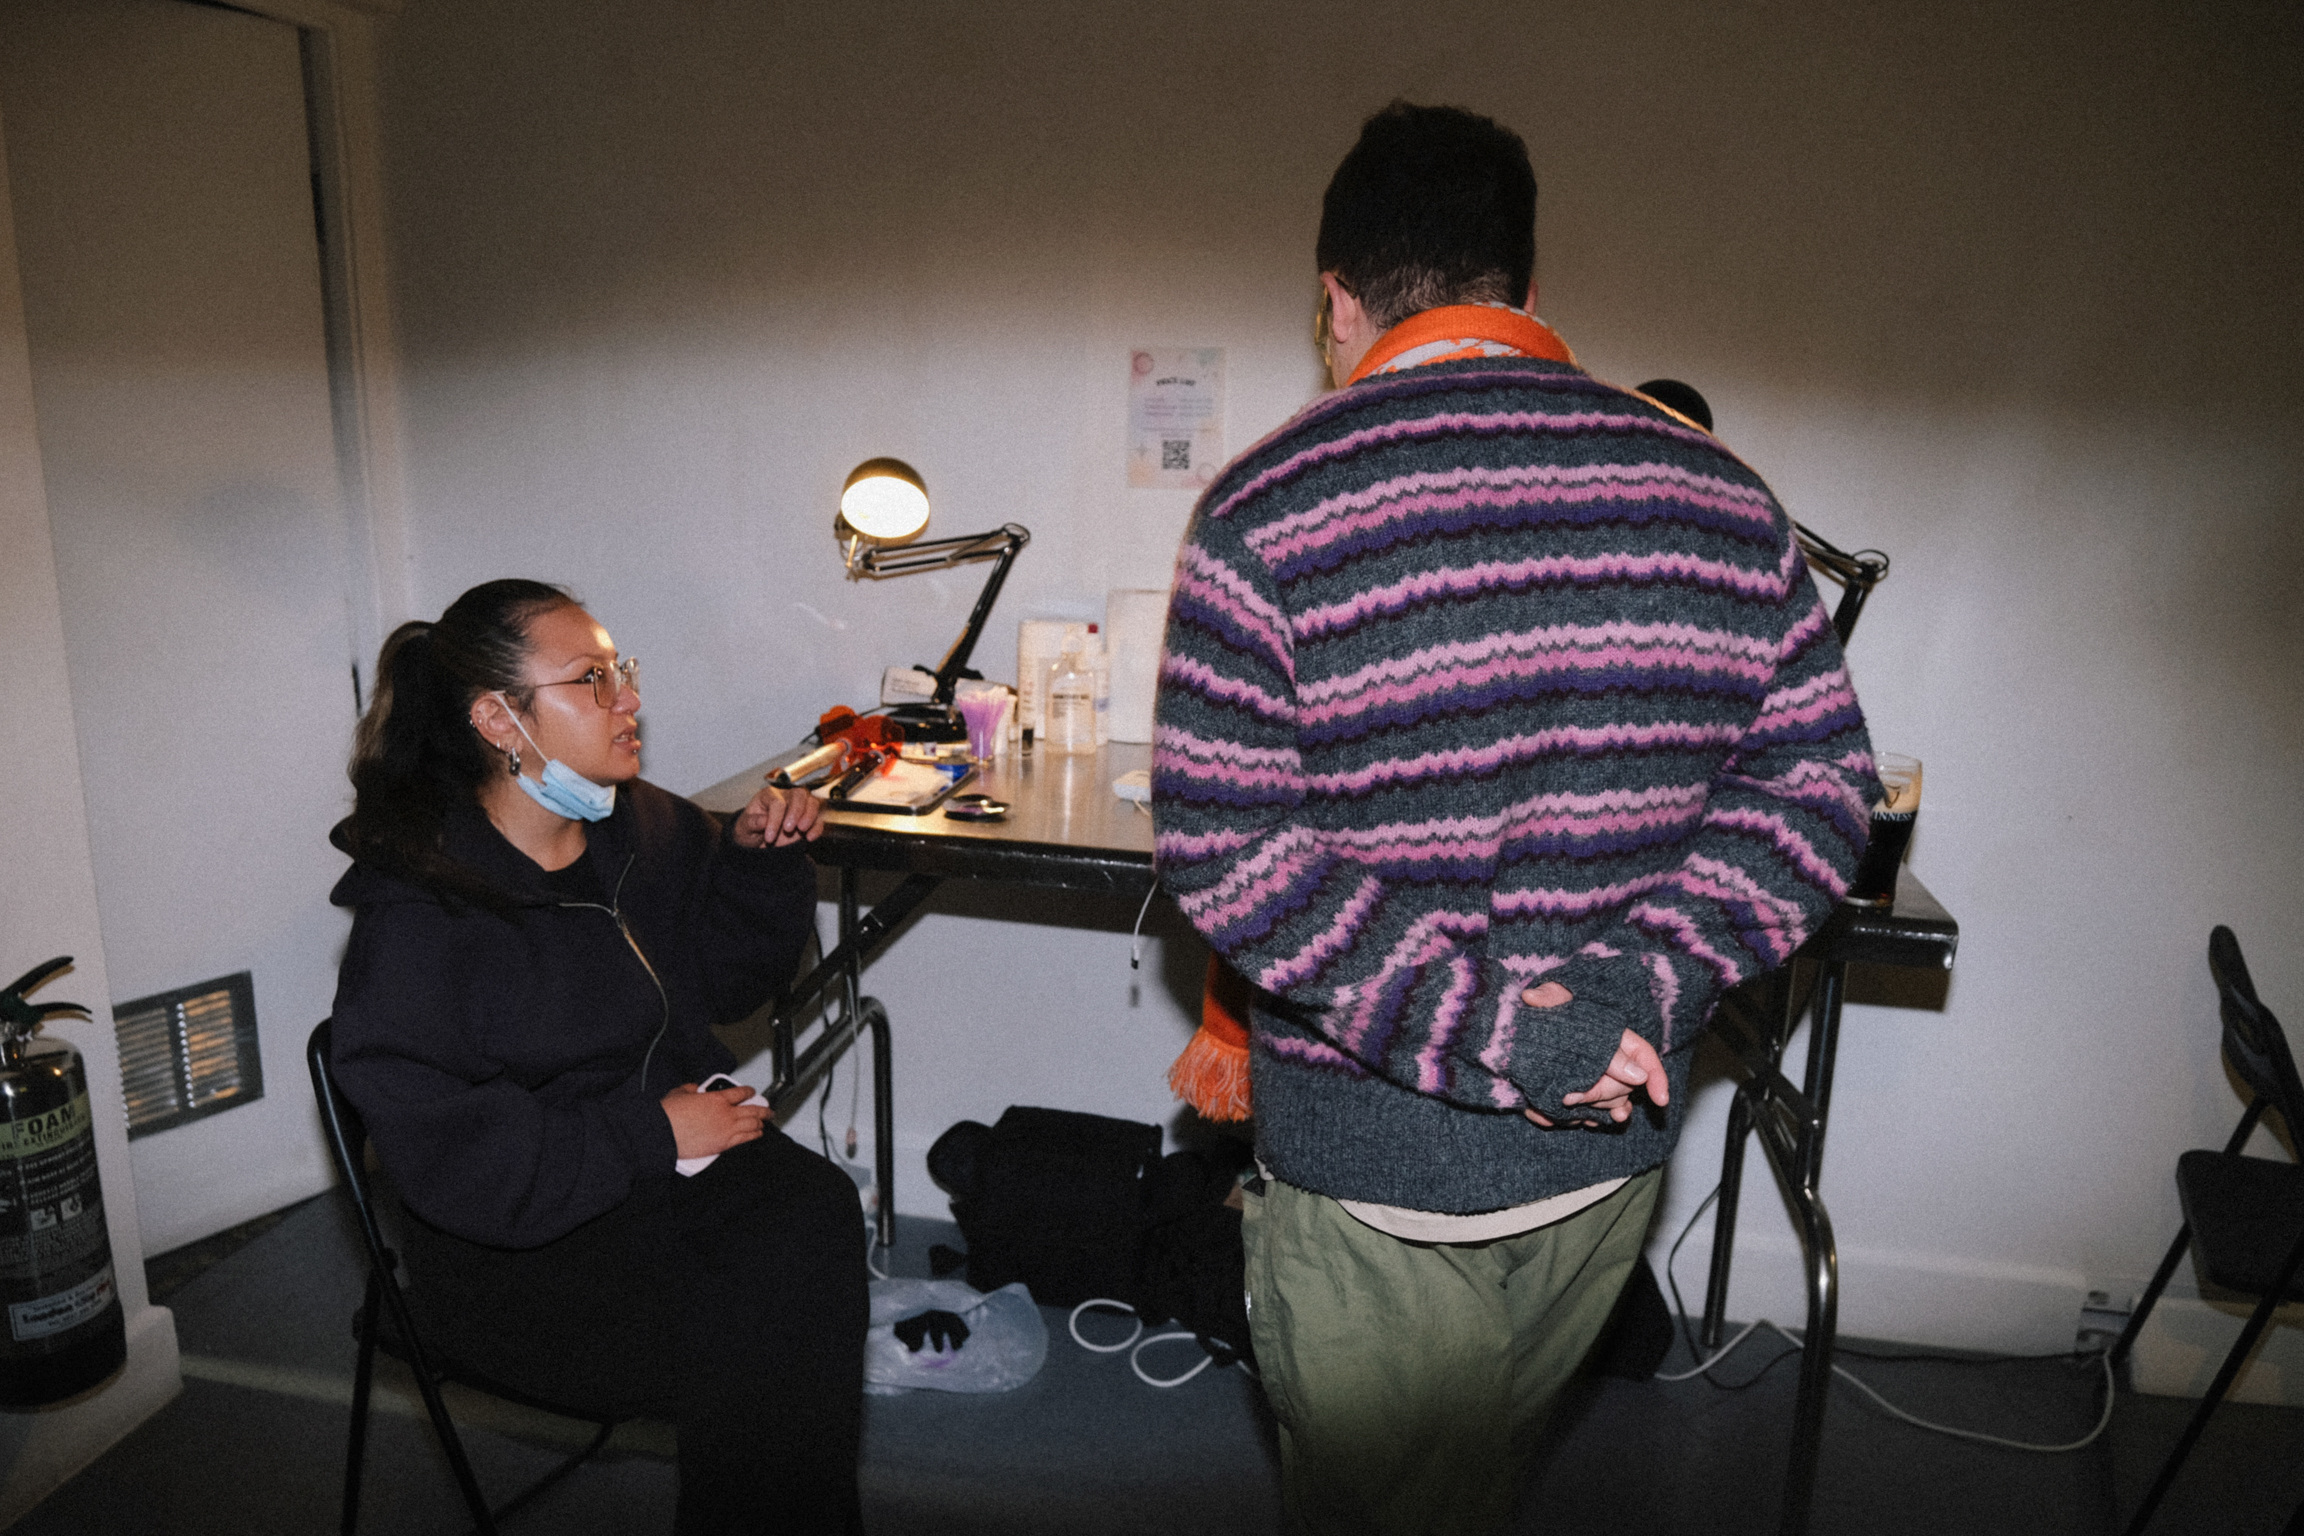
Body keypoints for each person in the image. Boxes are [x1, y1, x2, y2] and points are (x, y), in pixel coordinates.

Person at [1152, 103, 1877, 1534]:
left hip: (1371, 1168)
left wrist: (1500, 1029)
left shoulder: (1265, 508)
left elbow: (1232, 853)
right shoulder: (1723, 500)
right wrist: (1632, 986)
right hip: (1603, 1157)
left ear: (1335, 303)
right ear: (1531, 295)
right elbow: (1815, 789)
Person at [327, 578, 867, 1534]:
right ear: (499, 719)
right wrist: (649, 1132)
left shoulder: (643, 828)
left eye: (623, 672)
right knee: (766, 1316)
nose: (630, 700)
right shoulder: (419, 914)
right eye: (591, 680)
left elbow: (728, 983)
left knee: (810, 1217)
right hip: (518, 1252)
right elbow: (453, 1159)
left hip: (649, 1166)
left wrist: (754, 861)